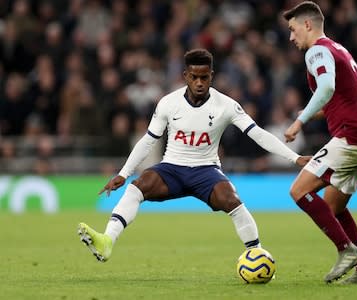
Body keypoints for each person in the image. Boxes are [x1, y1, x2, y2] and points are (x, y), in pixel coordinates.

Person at [77, 48, 310, 262]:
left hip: (206, 170)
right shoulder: (168, 103)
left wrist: (294, 158)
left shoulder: (226, 105)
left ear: (212, 75)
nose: (199, 83)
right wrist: (123, 173)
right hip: (172, 168)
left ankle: (256, 254)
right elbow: (149, 139)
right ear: (185, 75)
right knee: (136, 187)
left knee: (233, 201)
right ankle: (107, 242)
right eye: (194, 77)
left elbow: (257, 134)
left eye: (204, 77)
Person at [282, 2, 357, 284]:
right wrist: (309, 113)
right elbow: (342, 97)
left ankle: (346, 250)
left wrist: (299, 123)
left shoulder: (316, 51)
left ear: (307, 25)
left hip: (351, 135)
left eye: (292, 30)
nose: (291, 37)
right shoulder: (339, 50)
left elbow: (326, 88)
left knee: (299, 190)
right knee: (333, 206)